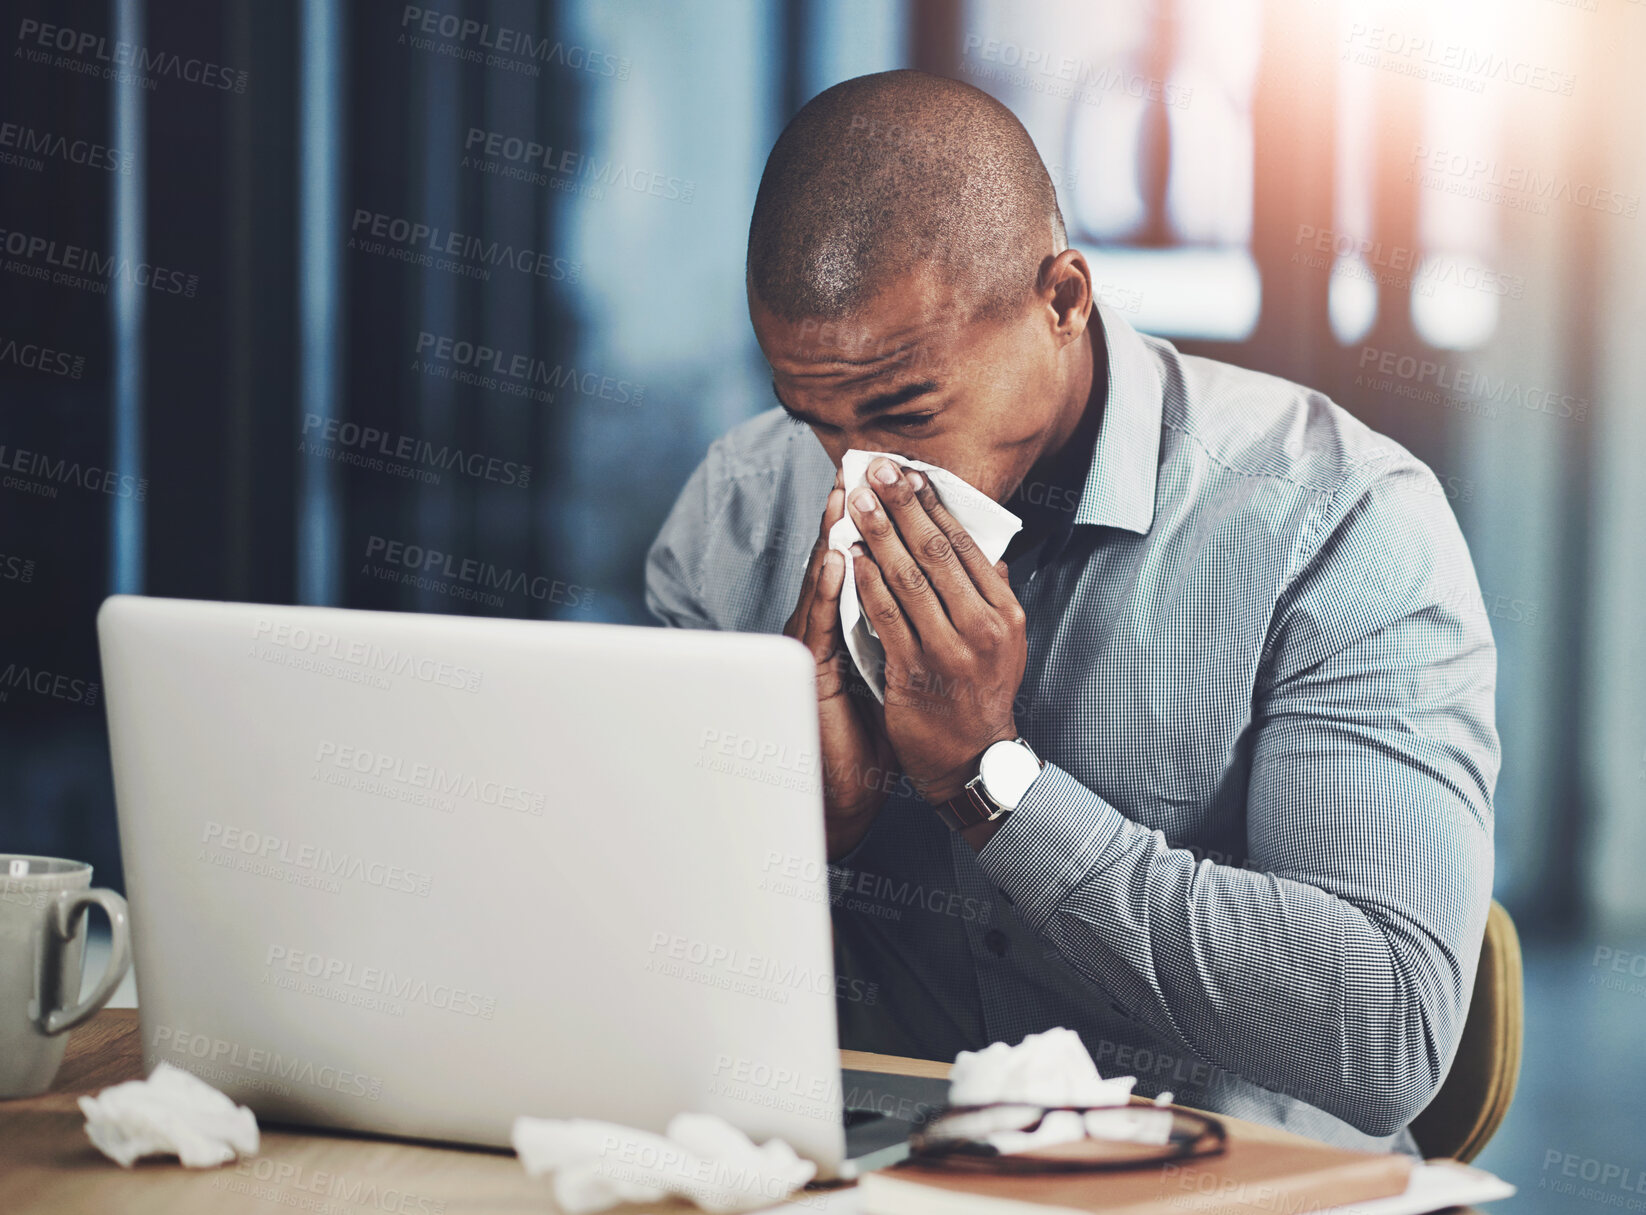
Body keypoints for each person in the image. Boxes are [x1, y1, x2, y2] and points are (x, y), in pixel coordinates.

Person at [645, 69, 1497, 1158]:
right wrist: (776, 835)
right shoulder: (734, 512)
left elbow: (1383, 1035)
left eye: (904, 412)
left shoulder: (1341, 524)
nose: (859, 476)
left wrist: (991, 785)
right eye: (814, 419)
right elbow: (640, 986)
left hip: (1226, 1190)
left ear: (1061, 301)